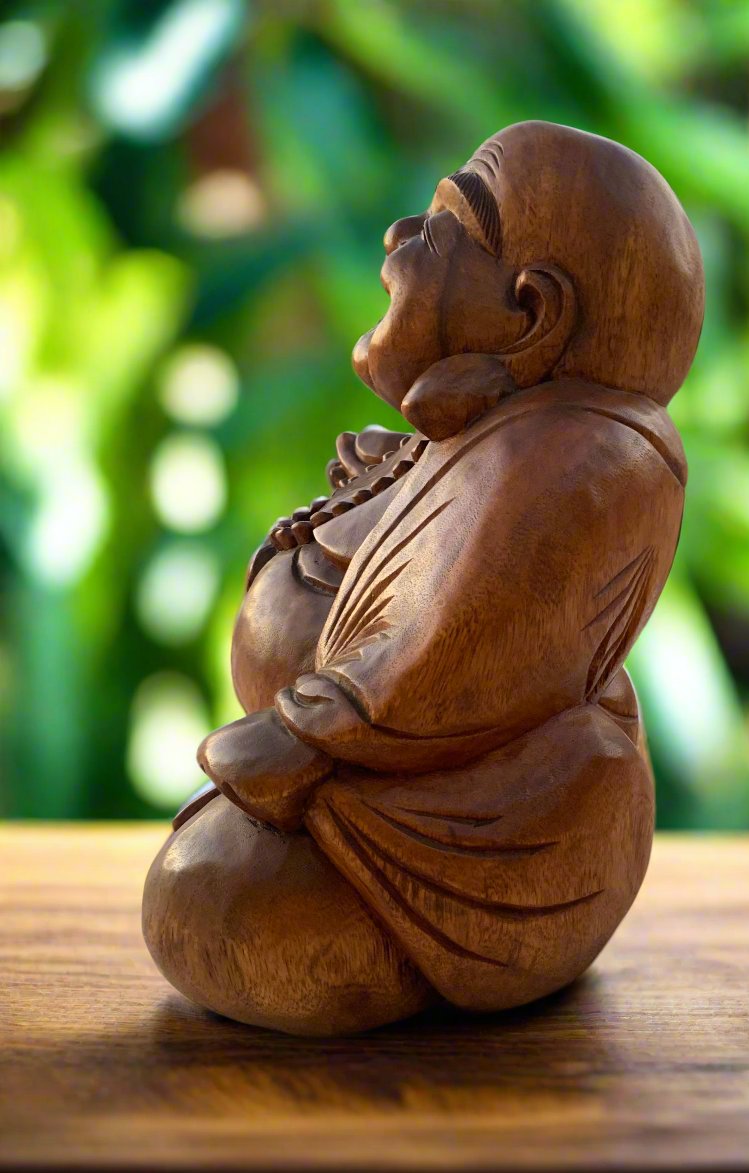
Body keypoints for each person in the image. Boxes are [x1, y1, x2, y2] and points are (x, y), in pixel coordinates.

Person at [143, 121, 704, 1035]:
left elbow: (463, 652)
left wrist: (308, 731)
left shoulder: (585, 461)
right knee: (204, 889)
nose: (399, 236)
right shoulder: (494, 437)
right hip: (364, 803)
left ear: (531, 315)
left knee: (218, 905)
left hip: (464, 837)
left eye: (445, 223)